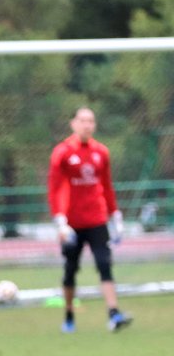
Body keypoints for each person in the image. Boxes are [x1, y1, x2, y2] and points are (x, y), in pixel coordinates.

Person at [48, 107, 132, 334]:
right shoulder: (62, 152)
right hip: (71, 224)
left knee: (104, 264)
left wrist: (115, 215)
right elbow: (55, 188)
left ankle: (114, 313)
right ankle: (69, 315)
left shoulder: (101, 152)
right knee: (70, 270)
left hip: (96, 219)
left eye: (91, 121)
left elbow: (106, 185)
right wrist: (60, 220)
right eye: (82, 120)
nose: (87, 125)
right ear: (73, 123)